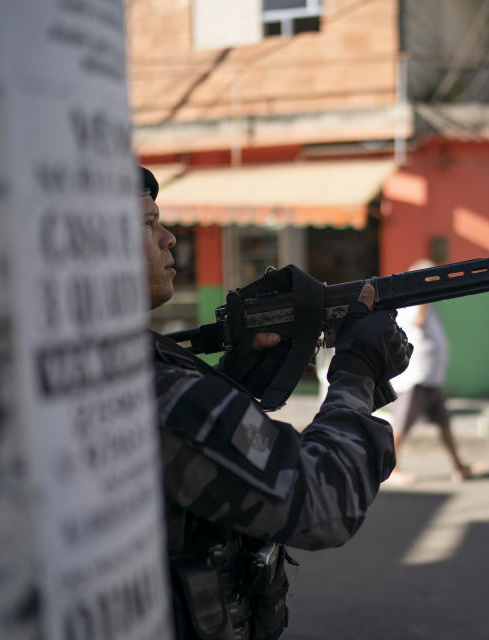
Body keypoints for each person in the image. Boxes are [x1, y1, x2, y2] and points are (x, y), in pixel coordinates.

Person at [139, 166, 412, 639]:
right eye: (147, 224)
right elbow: (323, 500)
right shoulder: (151, 387)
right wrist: (356, 371)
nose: (169, 240)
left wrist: (234, 380)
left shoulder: (117, 364)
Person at [387, 259, 476, 484]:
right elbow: (418, 321)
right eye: (432, 279)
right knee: (401, 424)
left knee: (444, 423)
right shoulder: (415, 301)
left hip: (430, 377)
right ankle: (391, 469)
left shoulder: (425, 302)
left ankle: (459, 465)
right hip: (417, 377)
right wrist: (423, 296)